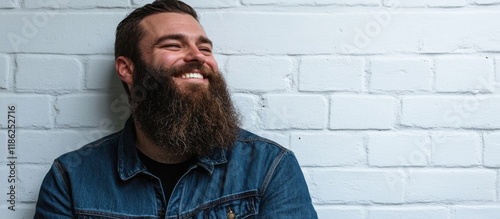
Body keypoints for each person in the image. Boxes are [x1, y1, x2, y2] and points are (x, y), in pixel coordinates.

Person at [34, 0, 318, 218]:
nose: (197, 56)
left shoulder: (268, 168)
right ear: (127, 69)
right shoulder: (70, 179)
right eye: (173, 45)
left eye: (205, 48)